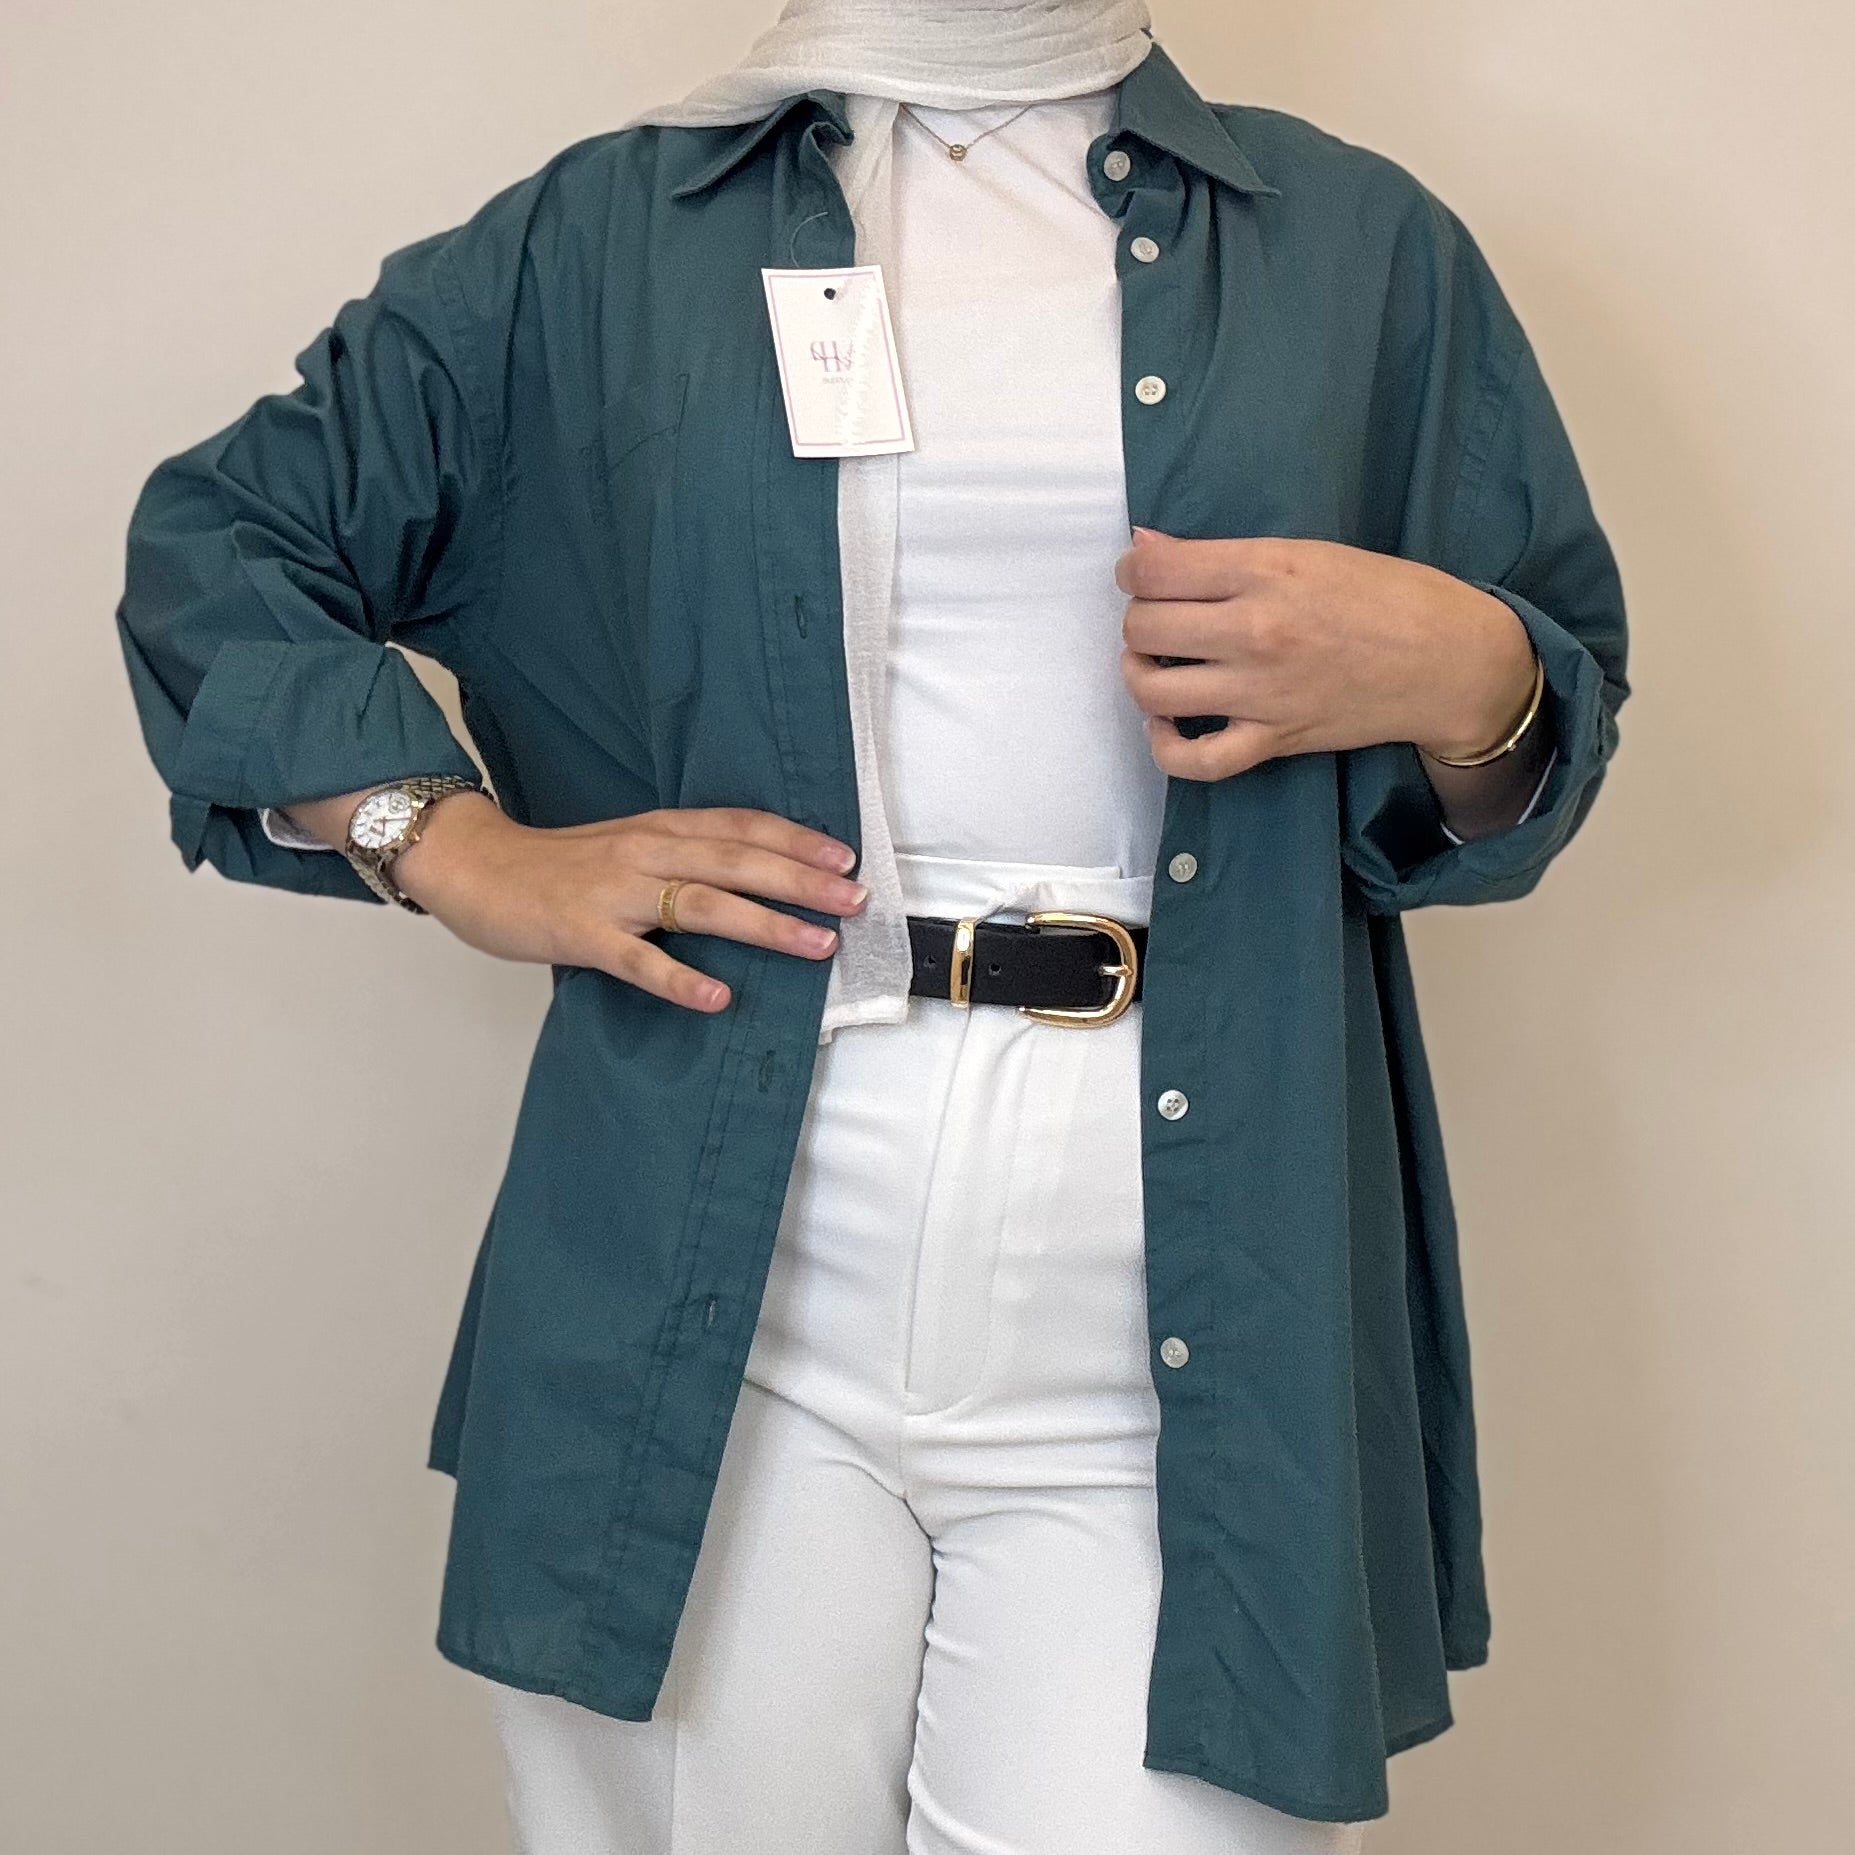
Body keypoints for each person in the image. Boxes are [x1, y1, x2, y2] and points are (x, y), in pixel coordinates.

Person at [112, 2, 1630, 1850]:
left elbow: (1536, 745)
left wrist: (1474, 673)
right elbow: (222, 544)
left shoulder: (1359, 245)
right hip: (726, 1257)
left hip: (1192, 1275)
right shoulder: (601, 239)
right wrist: (451, 842)